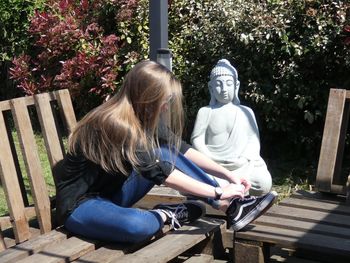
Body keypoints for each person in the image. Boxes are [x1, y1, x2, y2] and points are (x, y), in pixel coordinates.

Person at [54, 60, 277, 244]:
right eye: (166, 99)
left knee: (165, 149)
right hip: (80, 205)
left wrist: (228, 176)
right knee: (138, 226)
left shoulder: (143, 117)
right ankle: (167, 214)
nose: (168, 106)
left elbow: (181, 150)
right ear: (148, 97)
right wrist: (217, 192)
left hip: (115, 193)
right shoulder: (114, 123)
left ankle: (234, 208)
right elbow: (163, 174)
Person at [191, 59, 272, 196]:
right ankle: (228, 190)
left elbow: (253, 141)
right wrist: (209, 158)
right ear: (211, 88)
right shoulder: (205, 111)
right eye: (218, 85)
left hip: (242, 164)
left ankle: (223, 191)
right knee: (197, 178)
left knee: (263, 182)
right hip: (214, 164)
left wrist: (244, 158)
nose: (224, 89)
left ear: (236, 86)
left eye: (229, 84)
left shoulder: (246, 112)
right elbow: (197, 140)